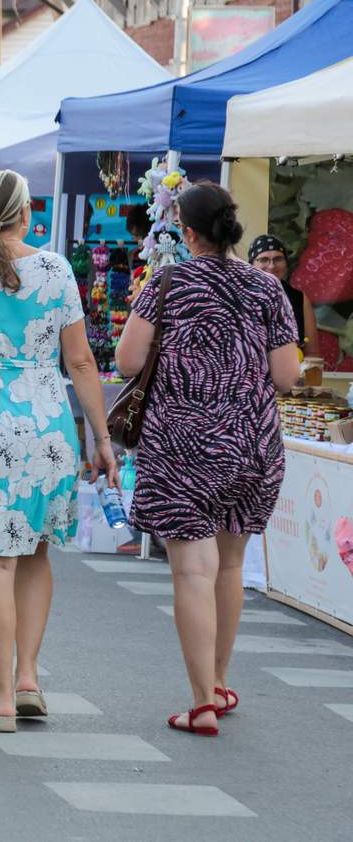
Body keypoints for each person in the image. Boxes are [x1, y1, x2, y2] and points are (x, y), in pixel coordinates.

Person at [0, 169, 118, 734]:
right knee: (35, 553)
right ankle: (30, 677)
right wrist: (101, 438)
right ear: (28, 211)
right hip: (48, 421)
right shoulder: (56, 269)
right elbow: (81, 363)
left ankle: (2, 699)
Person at [116, 182, 300, 737]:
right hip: (251, 444)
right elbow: (288, 376)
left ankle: (199, 703)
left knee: (192, 571)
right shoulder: (266, 287)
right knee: (230, 566)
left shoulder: (166, 283)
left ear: (188, 232)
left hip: (183, 447)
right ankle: (218, 684)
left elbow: (127, 361)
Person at [248, 234, 320, 358]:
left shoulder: (299, 299)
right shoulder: (238, 297)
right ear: (251, 265)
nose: (271, 266)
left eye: (278, 259)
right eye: (264, 259)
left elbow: (313, 354)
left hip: (293, 375)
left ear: (286, 263)